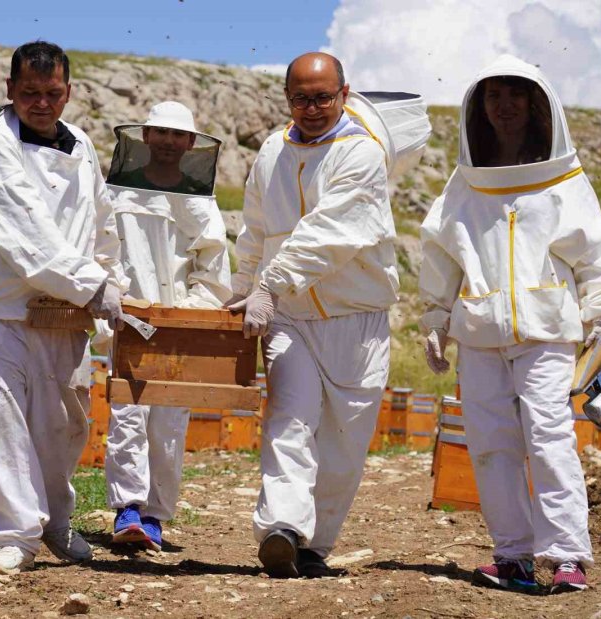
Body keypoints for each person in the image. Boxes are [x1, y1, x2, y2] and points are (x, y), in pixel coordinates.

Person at [418, 54, 601, 594]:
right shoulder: (465, 184)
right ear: (479, 108)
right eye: (493, 96)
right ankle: (511, 555)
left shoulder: (563, 178)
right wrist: (435, 318)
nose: (504, 106)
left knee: (550, 438)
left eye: (514, 94)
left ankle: (567, 557)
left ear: (535, 103)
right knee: (490, 443)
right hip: (481, 334)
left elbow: (596, 253)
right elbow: (442, 254)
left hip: (546, 331)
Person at [0, 41, 128, 576]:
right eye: (30, 93)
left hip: (63, 311)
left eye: (52, 93)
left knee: (63, 422)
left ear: (68, 93)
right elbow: (22, 230)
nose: (41, 103)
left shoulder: (83, 147)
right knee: (1, 420)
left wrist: (108, 281)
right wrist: (92, 284)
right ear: (9, 91)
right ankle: (13, 535)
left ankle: (54, 522)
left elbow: (102, 223)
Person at [229, 52, 398, 578]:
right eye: (301, 97)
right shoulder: (271, 152)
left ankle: (314, 545)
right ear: (287, 99)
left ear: (345, 94)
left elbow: (330, 233)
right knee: (289, 418)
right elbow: (254, 232)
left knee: (344, 441)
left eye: (323, 96)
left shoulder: (362, 154)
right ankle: (282, 527)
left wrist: (269, 285)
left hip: (357, 318)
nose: (312, 107)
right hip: (289, 316)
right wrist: (244, 294)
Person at [98, 101, 233, 551]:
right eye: (161, 134)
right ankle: (128, 510)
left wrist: (190, 314)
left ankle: (155, 515)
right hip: (129, 319)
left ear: (192, 143)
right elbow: (103, 249)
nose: (170, 143)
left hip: (181, 326)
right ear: (146, 137)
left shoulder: (201, 201)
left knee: (170, 420)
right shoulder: (116, 193)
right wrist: (120, 297)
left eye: (178, 136)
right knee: (128, 413)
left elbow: (212, 267)